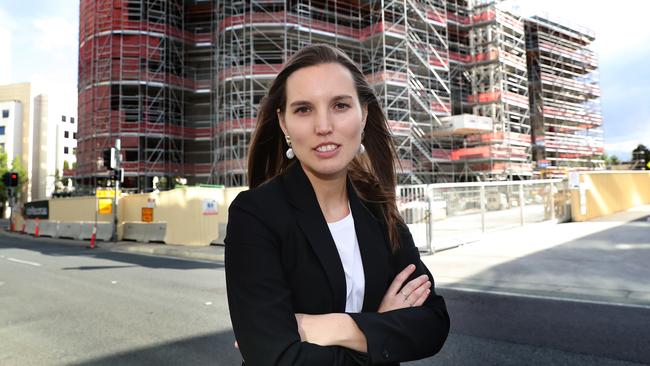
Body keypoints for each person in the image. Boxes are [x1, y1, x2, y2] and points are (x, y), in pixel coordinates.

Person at [225, 44, 450, 365]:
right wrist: (379, 327)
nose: (323, 126)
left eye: (340, 105)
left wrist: (339, 326)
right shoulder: (255, 215)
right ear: (284, 124)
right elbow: (275, 357)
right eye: (303, 109)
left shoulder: (378, 208)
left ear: (364, 113)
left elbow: (433, 324)